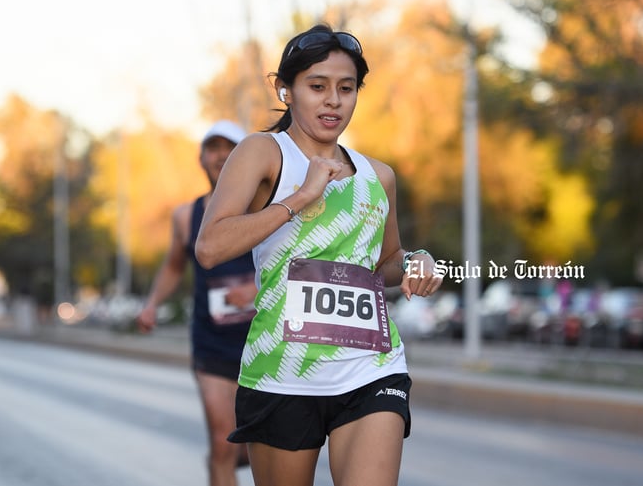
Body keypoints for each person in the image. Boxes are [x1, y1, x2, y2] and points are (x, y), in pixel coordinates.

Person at [194, 24, 442, 486]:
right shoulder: (263, 153)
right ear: (285, 90)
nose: (333, 101)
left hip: (369, 367)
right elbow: (210, 247)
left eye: (346, 89)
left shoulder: (378, 175)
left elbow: (386, 261)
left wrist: (415, 261)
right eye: (317, 87)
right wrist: (298, 198)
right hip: (283, 373)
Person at [137, 119, 257, 486]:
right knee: (222, 442)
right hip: (211, 341)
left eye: (229, 148)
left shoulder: (268, 208)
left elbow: (296, 262)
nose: (220, 156)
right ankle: (221, 464)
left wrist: (256, 287)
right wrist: (152, 303)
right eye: (212, 148)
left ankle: (231, 461)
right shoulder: (186, 216)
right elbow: (174, 266)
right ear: (201, 158)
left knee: (254, 447)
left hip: (263, 341)